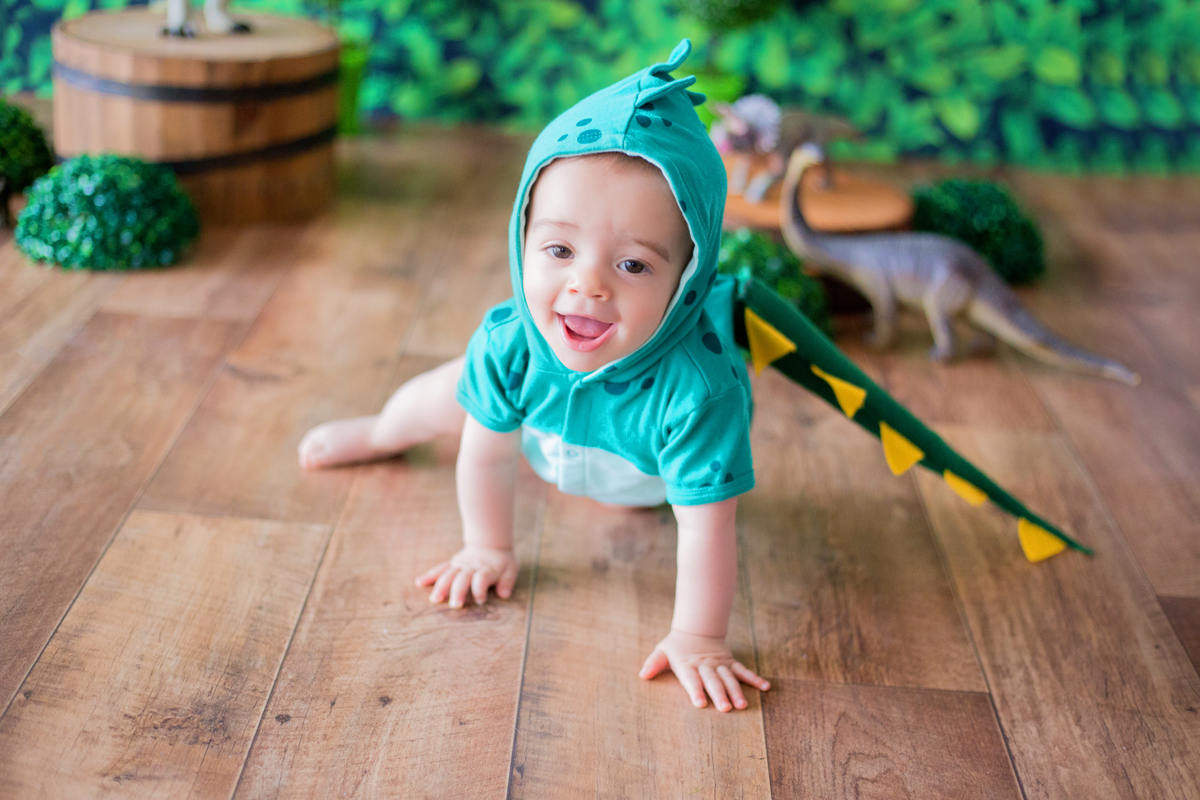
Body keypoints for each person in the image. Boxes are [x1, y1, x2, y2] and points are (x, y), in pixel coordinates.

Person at [298, 40, 770, 713]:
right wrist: (486, 547)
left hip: (640, 477)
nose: (587, 284)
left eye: (633, 265)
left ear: (688, 276)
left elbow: (706, 529)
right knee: (448, 393)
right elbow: (487, 452)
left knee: (632, 507)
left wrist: (699, 636)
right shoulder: (512, 340)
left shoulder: (700, 393)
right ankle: (383, 429)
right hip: (541, 436)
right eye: (558, 249)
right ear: (522, 239)